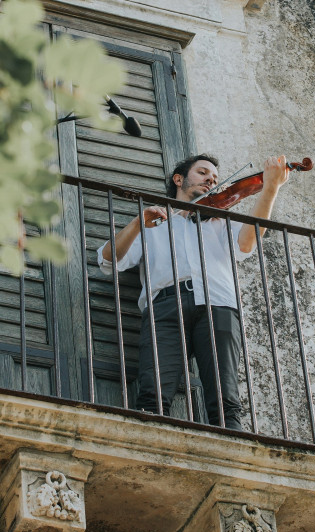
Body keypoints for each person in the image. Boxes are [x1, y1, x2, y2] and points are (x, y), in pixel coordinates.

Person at [97, 154, 290, 430]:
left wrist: (270, 187)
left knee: (226, 400)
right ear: (179, 179)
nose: (211, 180)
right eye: (202, 173)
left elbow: (247, 243)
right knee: (152, 394)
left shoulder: (221, 220)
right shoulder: (155, 222)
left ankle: (232, 453)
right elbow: (108, 261)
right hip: (165, 306)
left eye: (214, 178)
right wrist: (138, 223)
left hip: (218, 304)